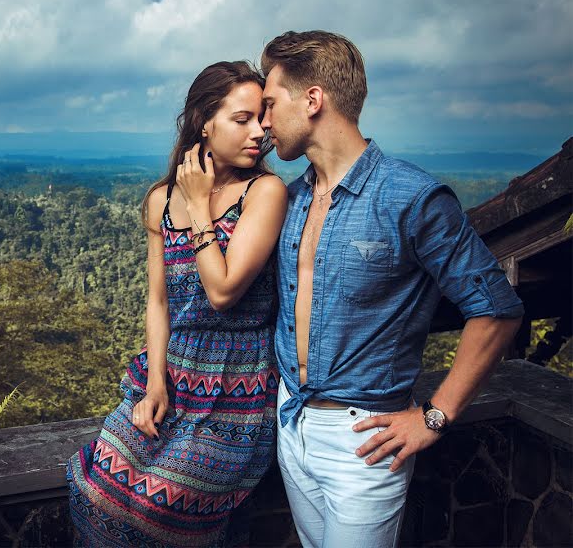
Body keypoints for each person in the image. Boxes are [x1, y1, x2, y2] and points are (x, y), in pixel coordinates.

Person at [259, 30, 524, 548]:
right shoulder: (287, 200)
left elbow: (496, 309)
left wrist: (435, 416)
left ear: (313, 100)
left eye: (270, 104)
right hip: (291, 422)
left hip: (363, 443)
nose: (265, 121)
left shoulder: (412, 197)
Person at [66, 60, 288, 547]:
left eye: (262, 118)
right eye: (242, 119)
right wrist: (154, 383)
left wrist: (202, 205)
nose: (260, 132)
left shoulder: (264, 192)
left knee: (161, 507)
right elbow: (159, 301)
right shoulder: (160, 202)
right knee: (92, 486)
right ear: (203, 121)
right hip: (172, 371)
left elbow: (224, 291)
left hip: (238, 385)